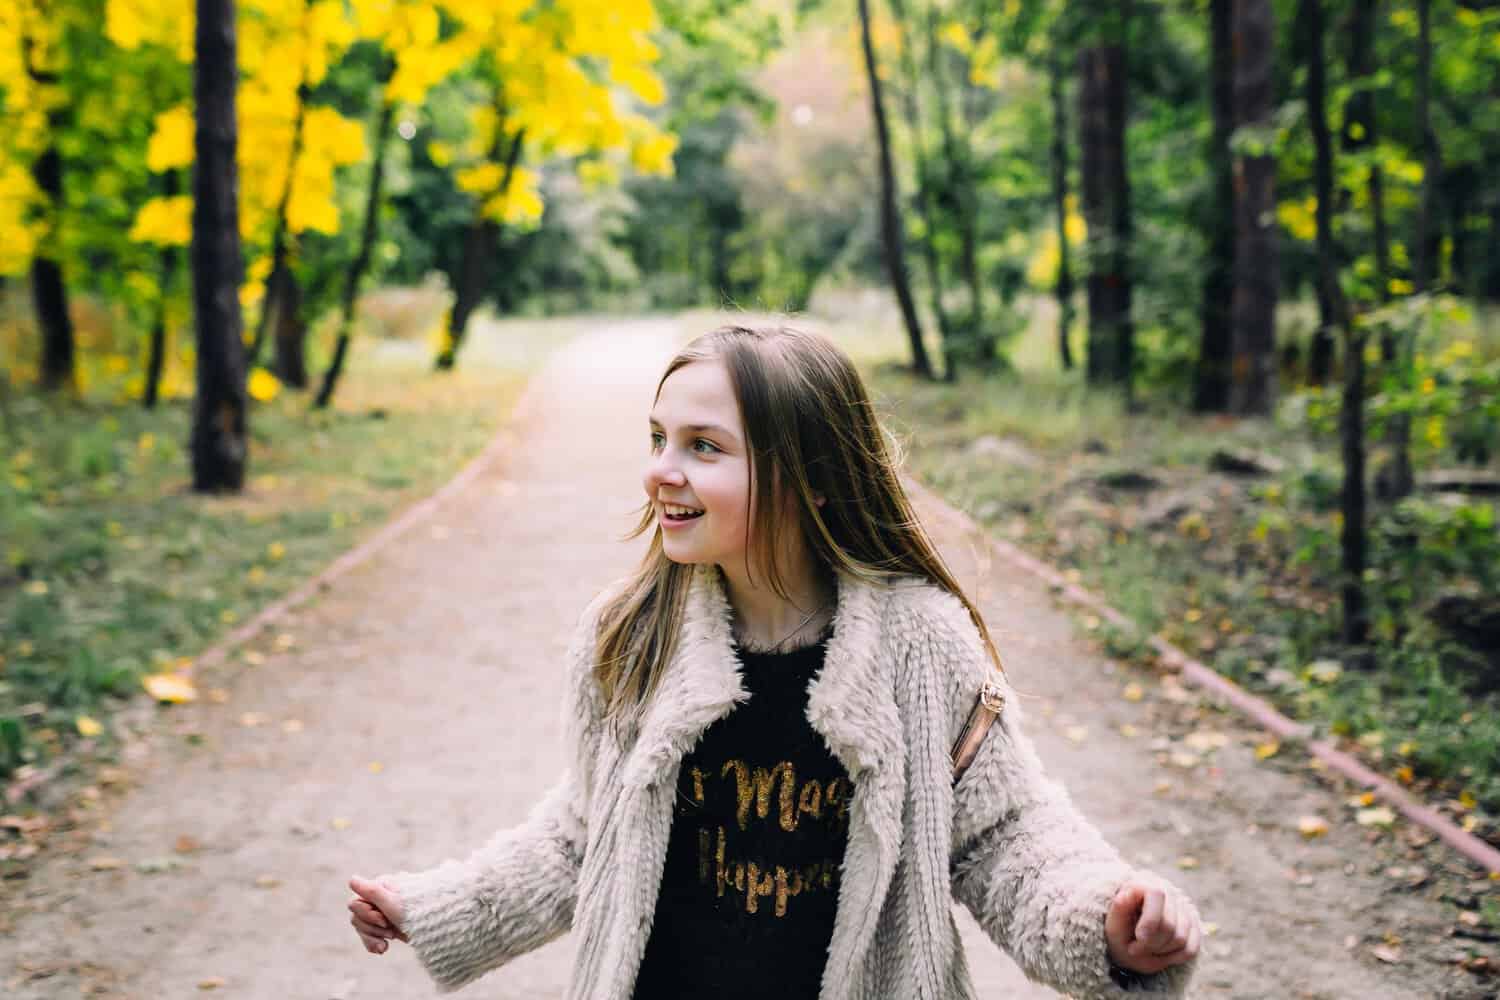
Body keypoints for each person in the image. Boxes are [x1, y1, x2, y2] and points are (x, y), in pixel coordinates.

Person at [346, 324, 1203, 998]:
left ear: (813, 477)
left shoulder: (921, 646)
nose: (660, 473)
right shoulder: (631, 638)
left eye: (703, 447)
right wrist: (440, 907)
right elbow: (585, 837)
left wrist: (1107, 921)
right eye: (658, 438)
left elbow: (1005, 838)